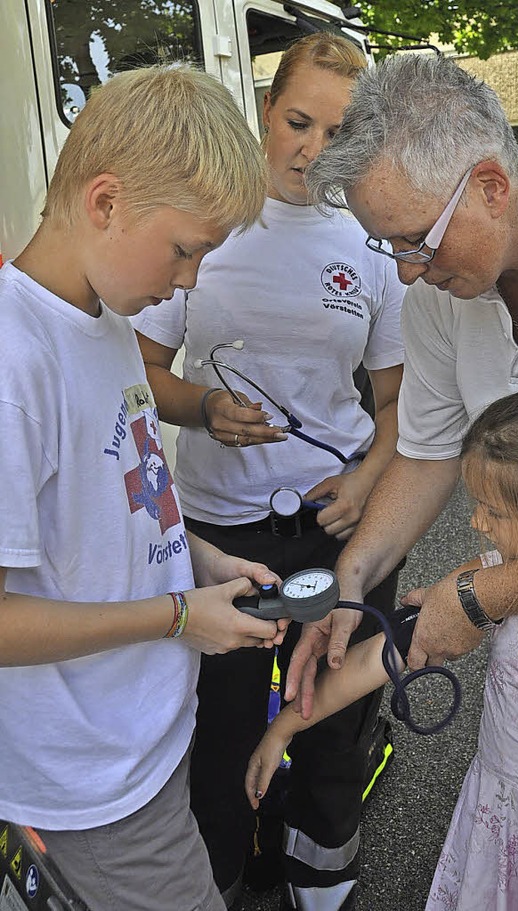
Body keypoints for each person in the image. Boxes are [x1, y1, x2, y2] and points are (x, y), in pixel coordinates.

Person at [0, 63, 291, 911]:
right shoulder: (16, 365)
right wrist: (175, 617)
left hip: (146, 739)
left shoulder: (109, 328)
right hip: (92, 785)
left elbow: (128, 503)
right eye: (186, 248)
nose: (190, 279)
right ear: (105, 202)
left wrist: (201, 562)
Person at [132, 32, 405, 911]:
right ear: (263, 110)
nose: (312, 151)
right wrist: (203, 407)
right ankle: (219, 881)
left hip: (339, 529)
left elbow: (410, 406)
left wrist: (366, 483)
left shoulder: (371, 235)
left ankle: (320, 888)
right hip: (222, 528)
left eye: (335, 132)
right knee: (219, 734)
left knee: (330, 724)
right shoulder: (208, 217)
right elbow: (142, 372)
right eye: (296, 122)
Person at [285, 50, 518, 716]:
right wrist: (351, 578)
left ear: (492, 187)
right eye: (388, 245)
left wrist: (481, 594)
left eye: (416, 240)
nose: (408, 272)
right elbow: (427, 453)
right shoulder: (439, 295)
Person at [248, 384, 518, 910]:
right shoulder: (487, 582)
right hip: (501, 805)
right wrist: (282, 729)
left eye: (492, 510)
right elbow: (375, 657)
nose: (476, 522)